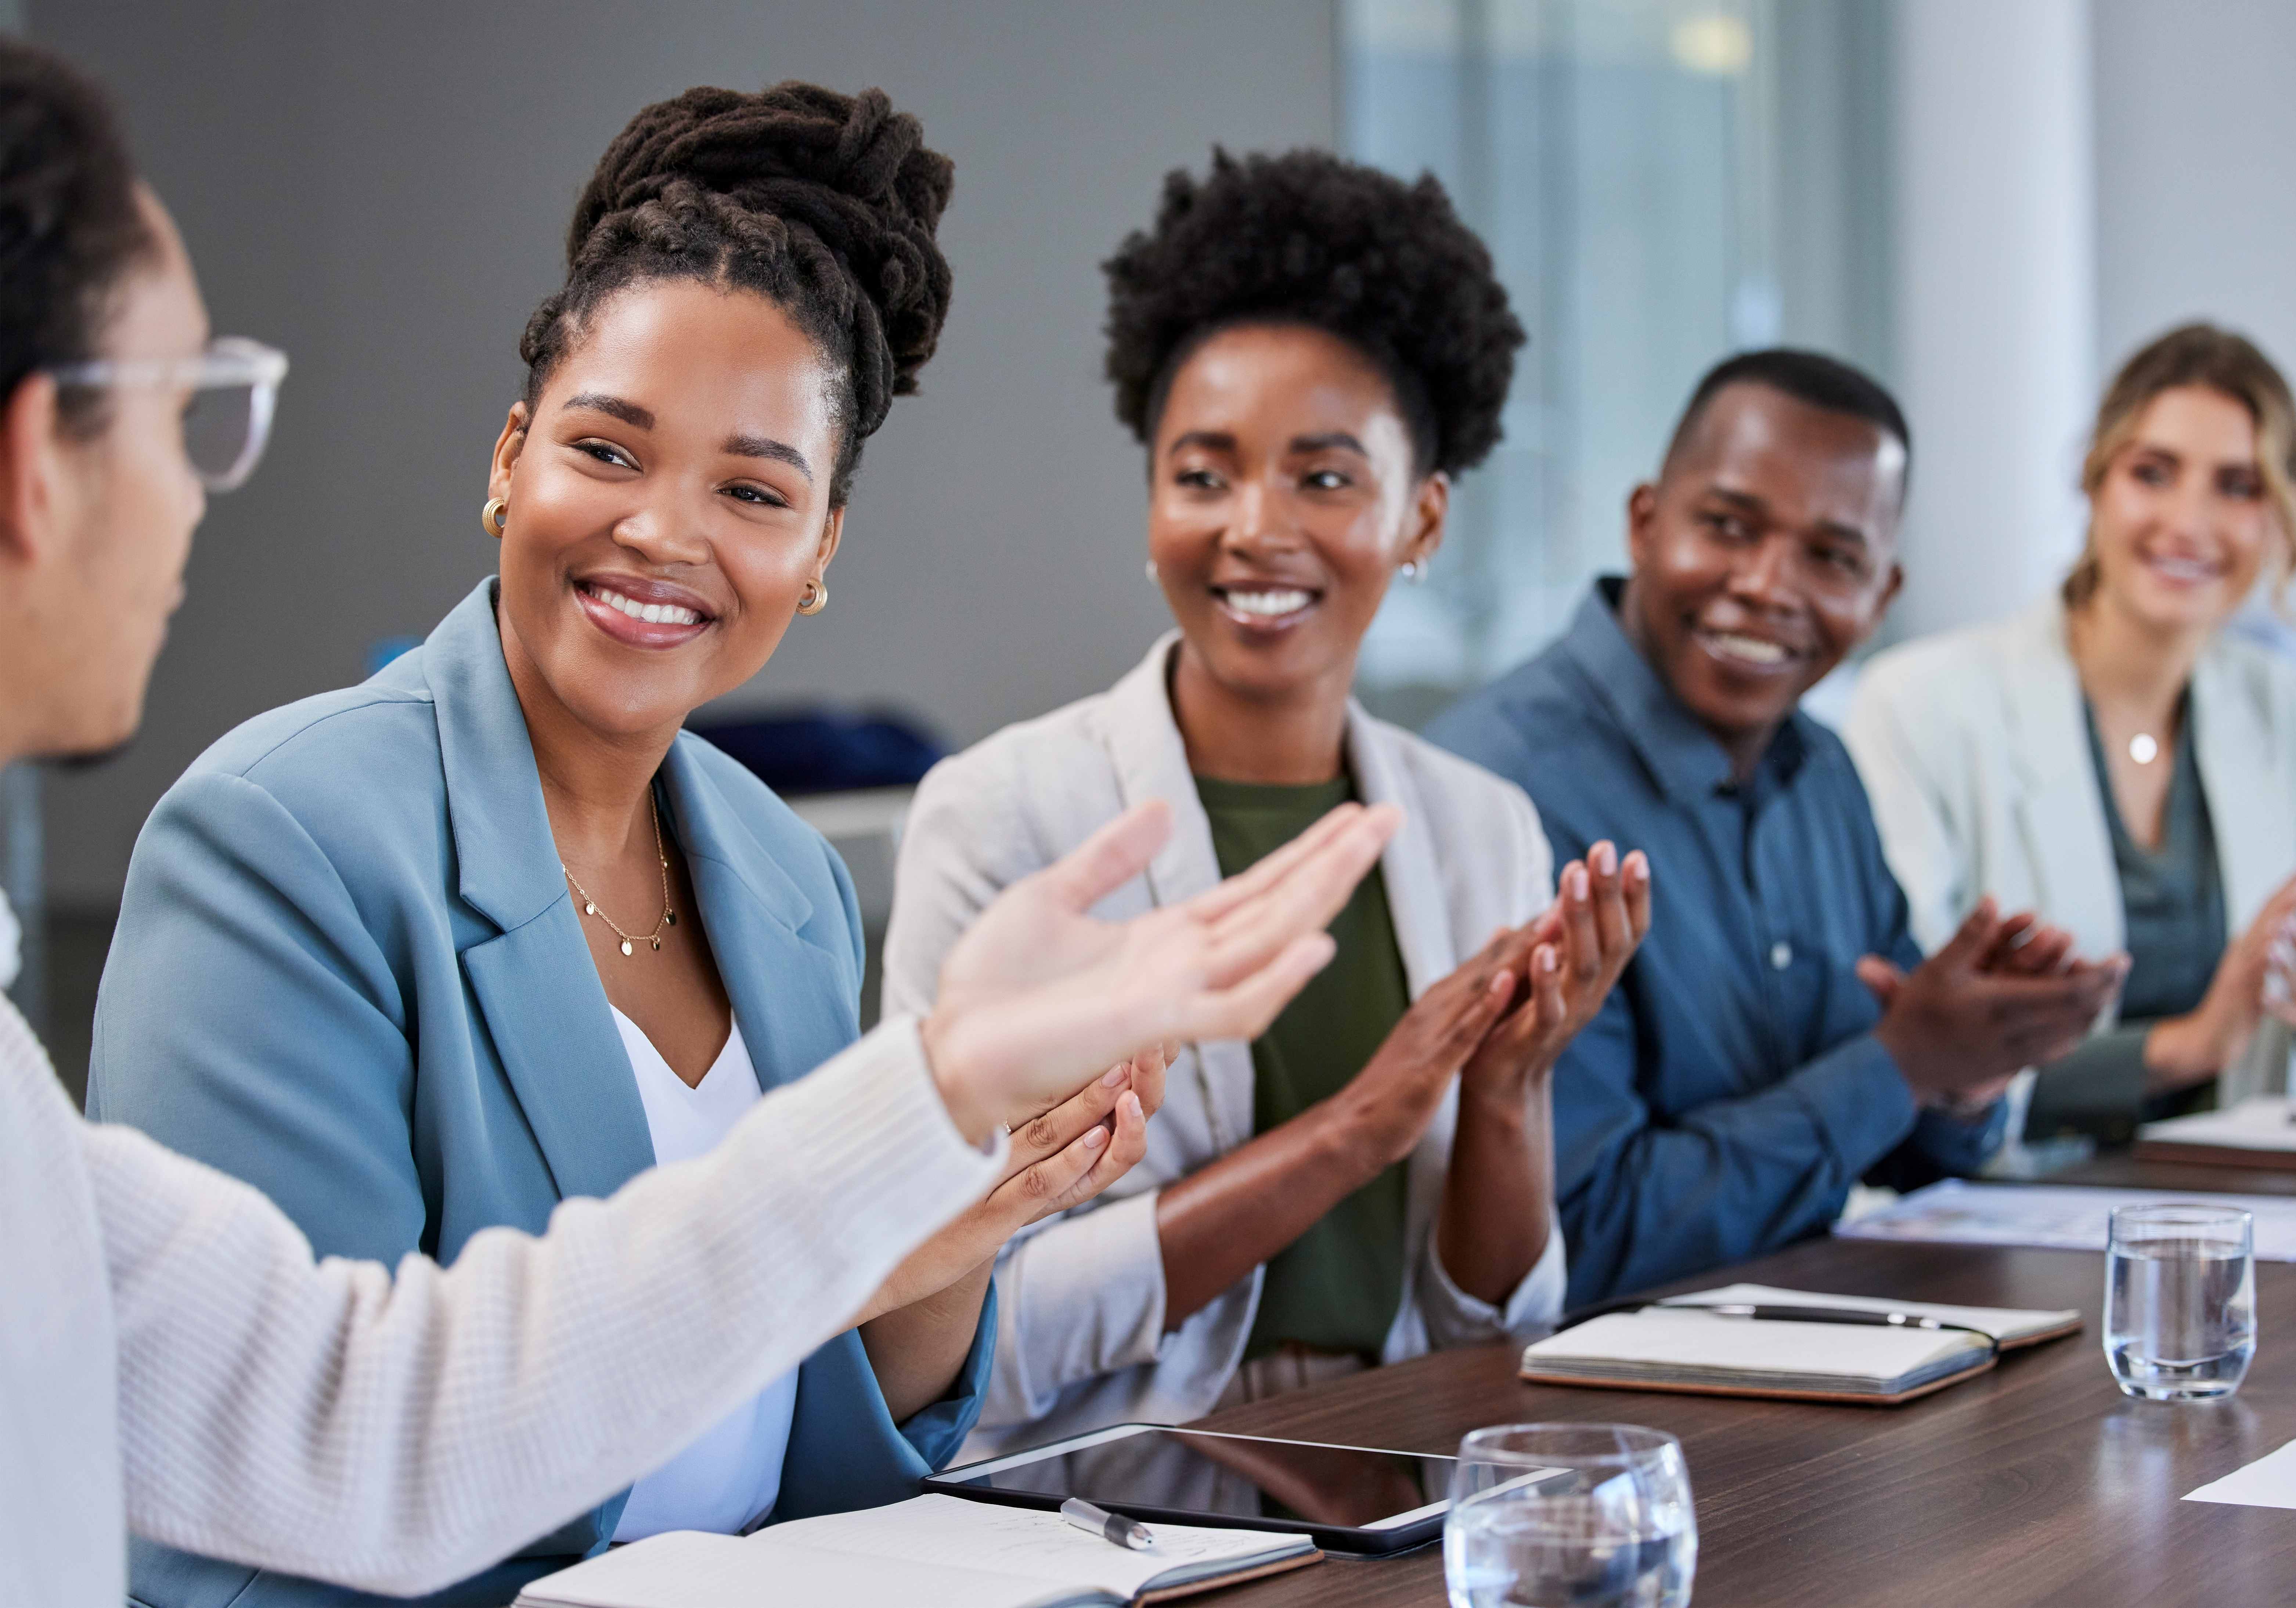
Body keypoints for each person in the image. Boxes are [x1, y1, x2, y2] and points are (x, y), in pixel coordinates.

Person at [0, 41, 1398, 1608]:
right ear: (508, 456)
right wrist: (914, 1105)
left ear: (819, 548)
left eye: (751, 491)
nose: (661, 532)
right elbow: (294, 1483)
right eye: (603, 449)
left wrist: (952, 1222)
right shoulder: (280, 844)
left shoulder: (785, 879)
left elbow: (826, 1441)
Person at [883, 150, 1647, 1463]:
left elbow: (1493, 1329)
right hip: (1098, 1484)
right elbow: (950, 1336)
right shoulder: (1003, 816)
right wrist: (1356, 1132)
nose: (1255, 527)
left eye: (1327, 477)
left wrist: (1507, 1094)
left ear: (1424, 520)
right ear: (1151, 503)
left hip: (1396, 1467)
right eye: (1204, 473)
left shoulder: (1481, 829)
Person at [1428, 349, 2125, 1306]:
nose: (1766, 584)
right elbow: (1577, 1238)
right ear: (1644, 522)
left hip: (1808, 1357)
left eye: (1831, 558)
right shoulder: (1500, 791)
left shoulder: (1824, 771)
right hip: (1584, 1410)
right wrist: (1903, 1060)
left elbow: (1919, 1144)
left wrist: (1967, 1061)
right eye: (1727, 525)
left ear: (1880, 597)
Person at [1845, 324, 2296, 1145]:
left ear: (2280, 516)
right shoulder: (1920, 703)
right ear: (2093, 482)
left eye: (2236, 486)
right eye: (2151, 474)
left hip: (2227, 1214)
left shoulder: (2276, 707)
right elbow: (1900, 1039)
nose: (2187, 522)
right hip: (1989, 1216)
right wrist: (2184, 1048)